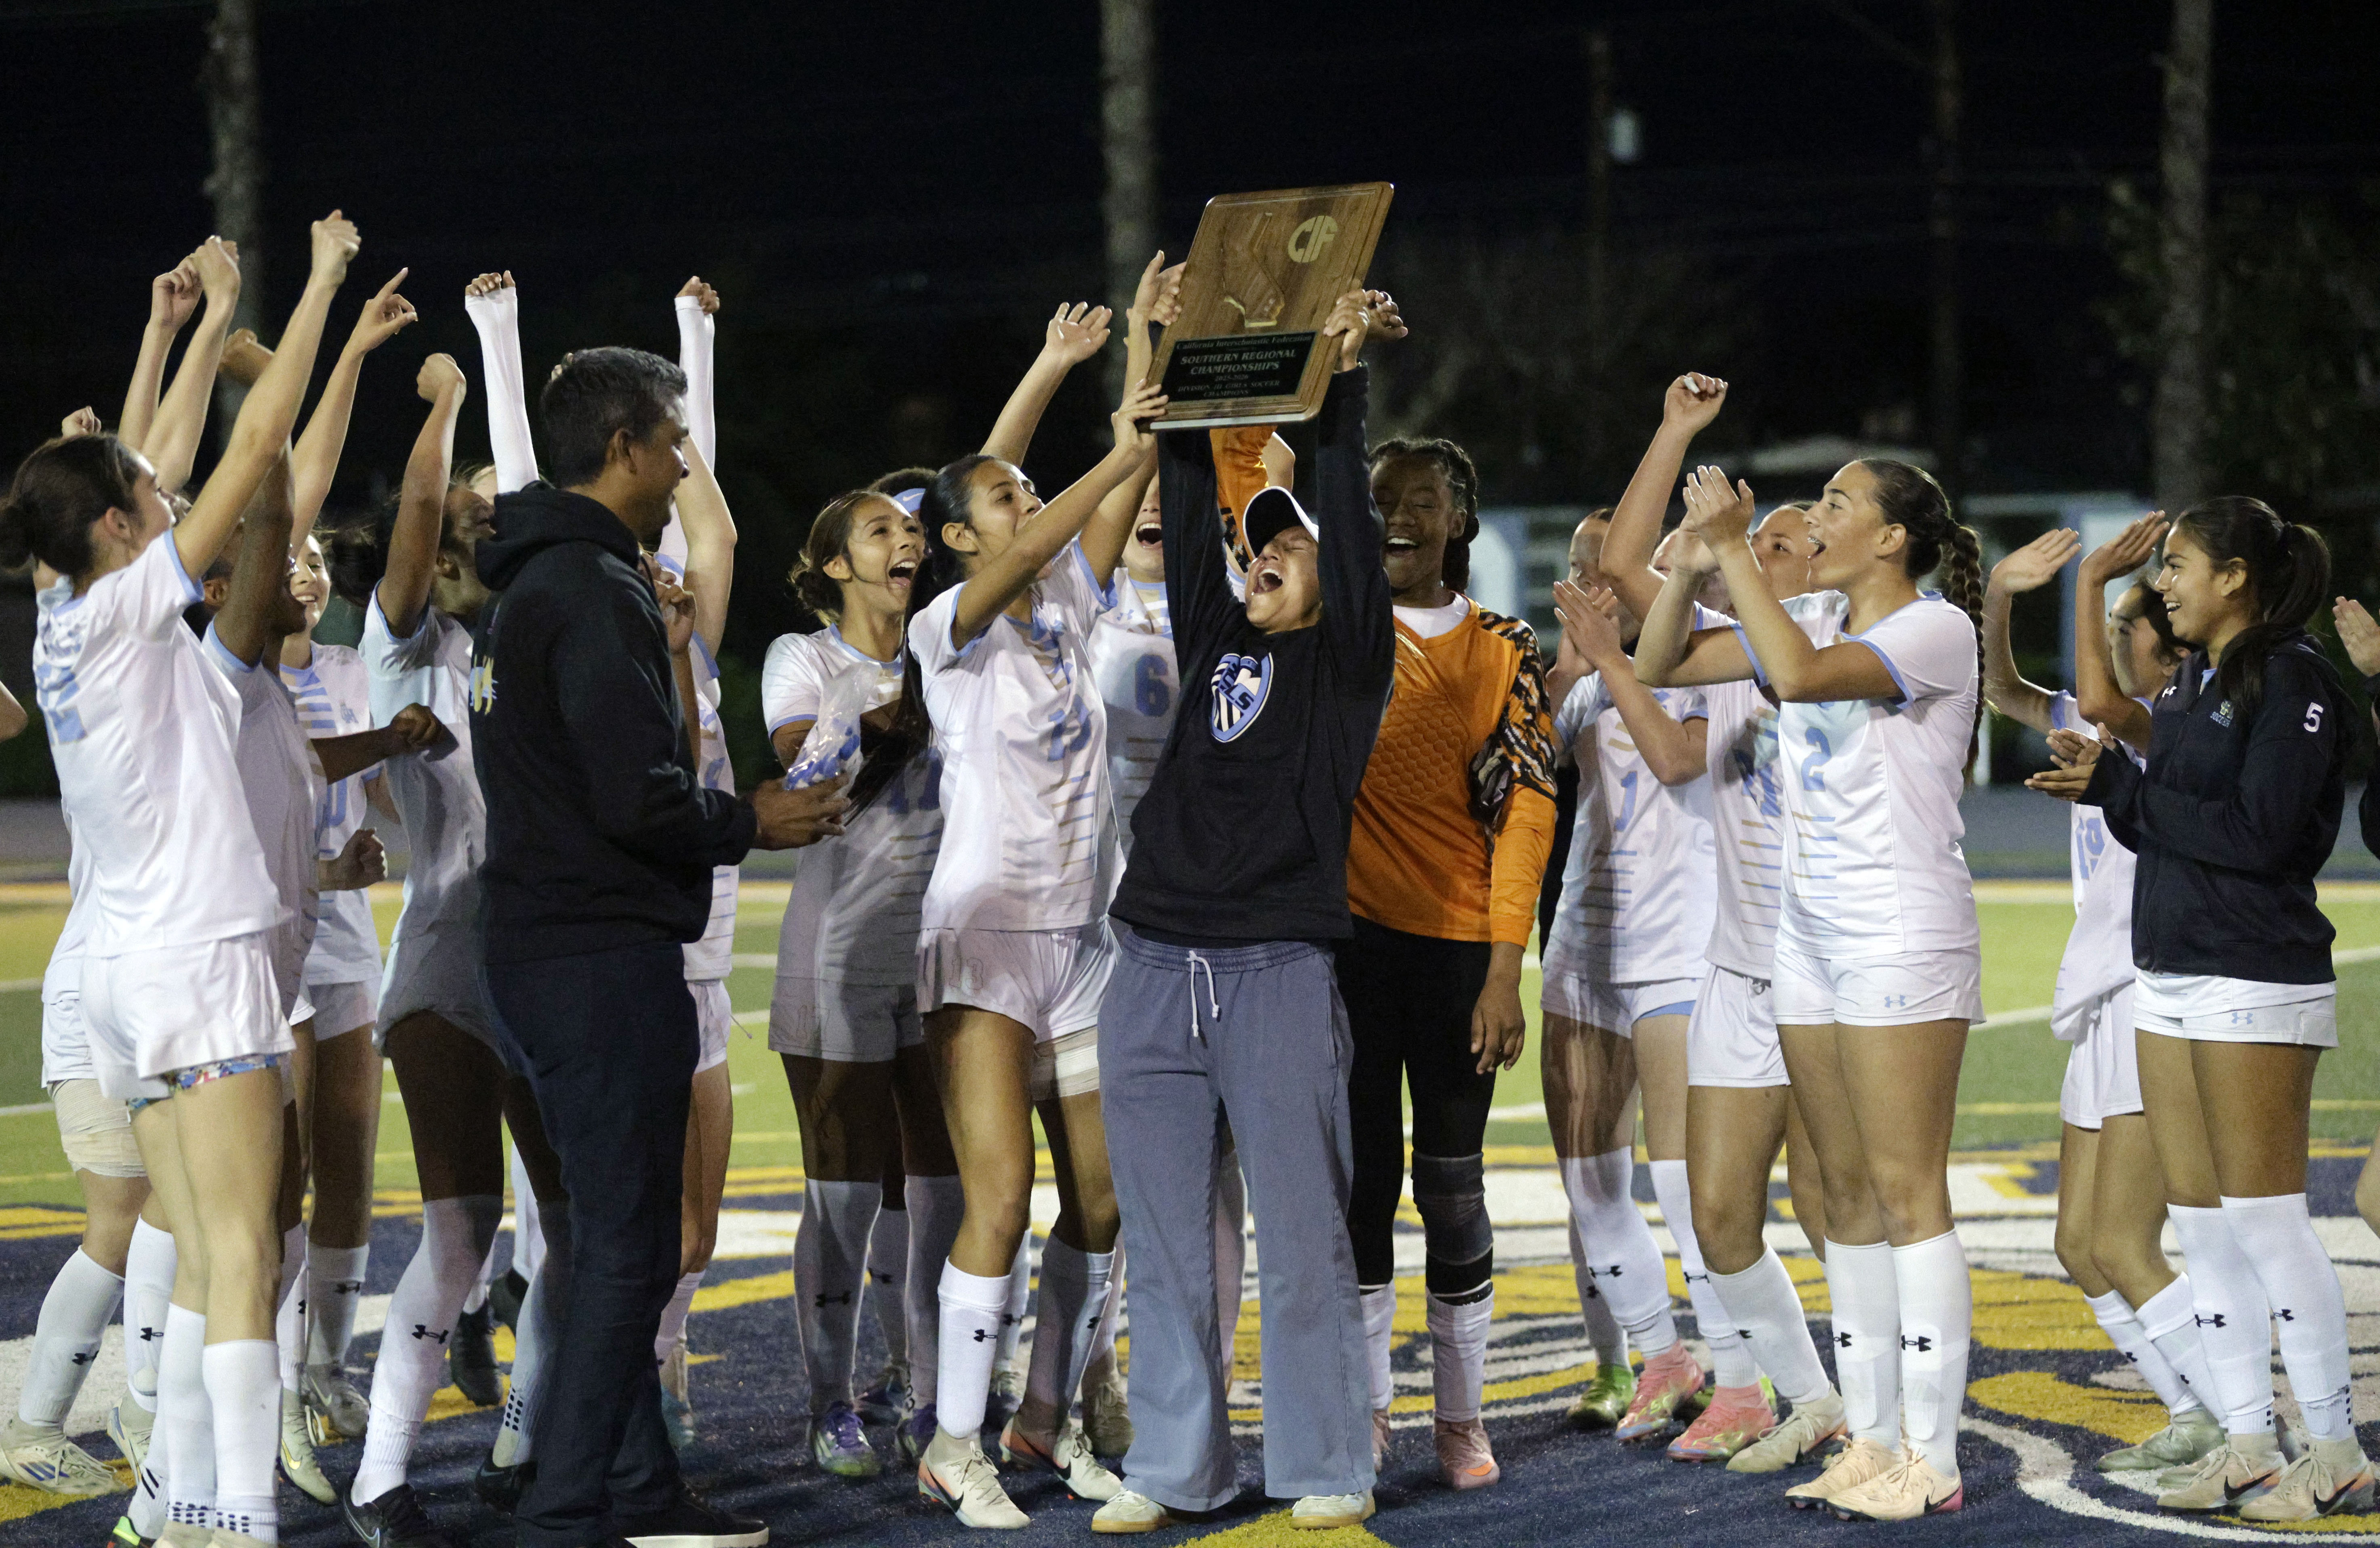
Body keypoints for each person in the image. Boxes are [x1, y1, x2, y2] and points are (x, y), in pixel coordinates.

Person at [2, 211, 359, 1548]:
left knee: (210, 1250)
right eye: (147, 498)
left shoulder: (62, 611)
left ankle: (192, 1500)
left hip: (132, 974)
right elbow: (261, 448)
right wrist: (312, 283)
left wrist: (190, 328)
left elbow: (140, 461)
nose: (170, 497)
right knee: (241, 1252)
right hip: (199, 960)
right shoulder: (136, 601)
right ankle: (241, 1515)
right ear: (114, 527)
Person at [469, 343, 841, 1548]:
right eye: (674, 438)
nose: (684, 458)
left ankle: (632, 1488)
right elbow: (635, 794)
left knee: (605, 1238)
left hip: (540, 947)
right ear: (625, 446)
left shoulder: (544, 578)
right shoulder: (586, 588)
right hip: (592, 954)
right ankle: (569, 1507)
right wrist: (755, 820)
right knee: (628, 1248)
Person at [1090, 290, 1400, 1535]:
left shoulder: (1350, 658)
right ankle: (1175, 1469)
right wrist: (1163, 357)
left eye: (1289, 542)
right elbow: (1182, 471)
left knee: (1301, 1229)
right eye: (1256, 541)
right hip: (1153, 961)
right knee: (1165, 1240)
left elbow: (1349, 520)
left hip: (1276, 967)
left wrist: (1344, 377)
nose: (1262, 551)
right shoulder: (1222, 630)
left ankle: (1327, 1462)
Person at [1638, 458, 1986, 1521]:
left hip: (1898, 934)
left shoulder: (1932, 629)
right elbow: (1656, 658)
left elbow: (1793, 677)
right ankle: (1871, 1438)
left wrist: (1737, 548)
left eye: (1839, 504)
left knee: (1902, 1190)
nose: (1822, 517)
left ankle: (1932, 1454)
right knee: (1841, 1197)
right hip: (1809, 938)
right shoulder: (1822, 611)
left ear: (1891, 539)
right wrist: (1694, 557)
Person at [2029, 499, 2366, 1522]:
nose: (2164, 581)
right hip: (2172, 973)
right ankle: (2251, 1441)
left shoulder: (2292, 676)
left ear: (2235, 578)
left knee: (2266, 1221)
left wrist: (2118, 797)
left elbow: (2263, 832)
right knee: (2203, 1226)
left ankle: (2338, 1446)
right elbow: (2168, 804)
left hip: (2255, 975)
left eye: (2179, 565)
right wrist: (2116, 784)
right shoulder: (2190, 685)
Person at [897, 356, 1165, 1530]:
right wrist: (1106, 441)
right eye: (1002, 495)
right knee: (998, 1201)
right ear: (955, 535)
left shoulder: (1069, 598)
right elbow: (1034, 532)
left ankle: (1042, 1419)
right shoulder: (943, 625)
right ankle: (953, 1444)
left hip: (1084, 939)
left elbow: (1121, 478)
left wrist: (1148, 360)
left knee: (1102, 1202)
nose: (1027, 504)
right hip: (985, 938)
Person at [330, 348, 569, 1548]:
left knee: (575, 1229)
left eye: (493, 515)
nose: (481, 525)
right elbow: (420, 519)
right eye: (467, 518)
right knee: (464, 1226)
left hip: (540, 969)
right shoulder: (404, 649)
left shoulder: (516, 649)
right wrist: (445, 411)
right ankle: (381, 1478)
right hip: (442, 970)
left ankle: (526, 1442)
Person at [1592, 376, 1842, 1469]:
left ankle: (1892, 1421)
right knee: (1719, 1214)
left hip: (1834, 968)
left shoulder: (1833, 636)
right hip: (1738, 968)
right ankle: (1806, 1397)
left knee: (1852, 1206)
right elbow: (1634, 619)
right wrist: (1693, 547)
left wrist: (1716, 553)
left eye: (1782, 539)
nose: (1765, 543)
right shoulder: (1742, 642)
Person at [1338, 430, 1555, 1491]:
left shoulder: (1503, 644)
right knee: (1361, 1184)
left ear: (1458, 523)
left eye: (1420, 499)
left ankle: (1461, 1422)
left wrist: (1505, 968)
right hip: (1342, 951)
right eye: (1380, 494)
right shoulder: (1327, 631)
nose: (1397, 514)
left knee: (1454, 1187)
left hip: (1460, 955)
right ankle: (1369, 1416)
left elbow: (1526, 811)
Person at [1982, 520, 2216, 1477]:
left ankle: (2252, 1428)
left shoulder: (2178, 725)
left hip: (2146, 991)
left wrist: (2085, 585)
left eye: (2132, 624)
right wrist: (2001, 597)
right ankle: (2197, 1414)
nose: (2117, 638)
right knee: (2079, 1244)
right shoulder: (2105, 712)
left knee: (2124, 1239)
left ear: (2174, 646)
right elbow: (2002, 690)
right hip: (2101, 1000)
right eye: (2111, 622)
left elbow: (2107, 702)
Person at [766, 486, 954, 1478]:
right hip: (840, 945)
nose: (907, 540)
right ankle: (828, 1402)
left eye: (914, 529)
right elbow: (809, 781)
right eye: (882, 529)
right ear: (838, 563)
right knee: (842, 1197)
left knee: (944, 1191)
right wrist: (909, 707)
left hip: (943, 951)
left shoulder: (952, 648)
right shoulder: (805, 659)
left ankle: (923, 1385)